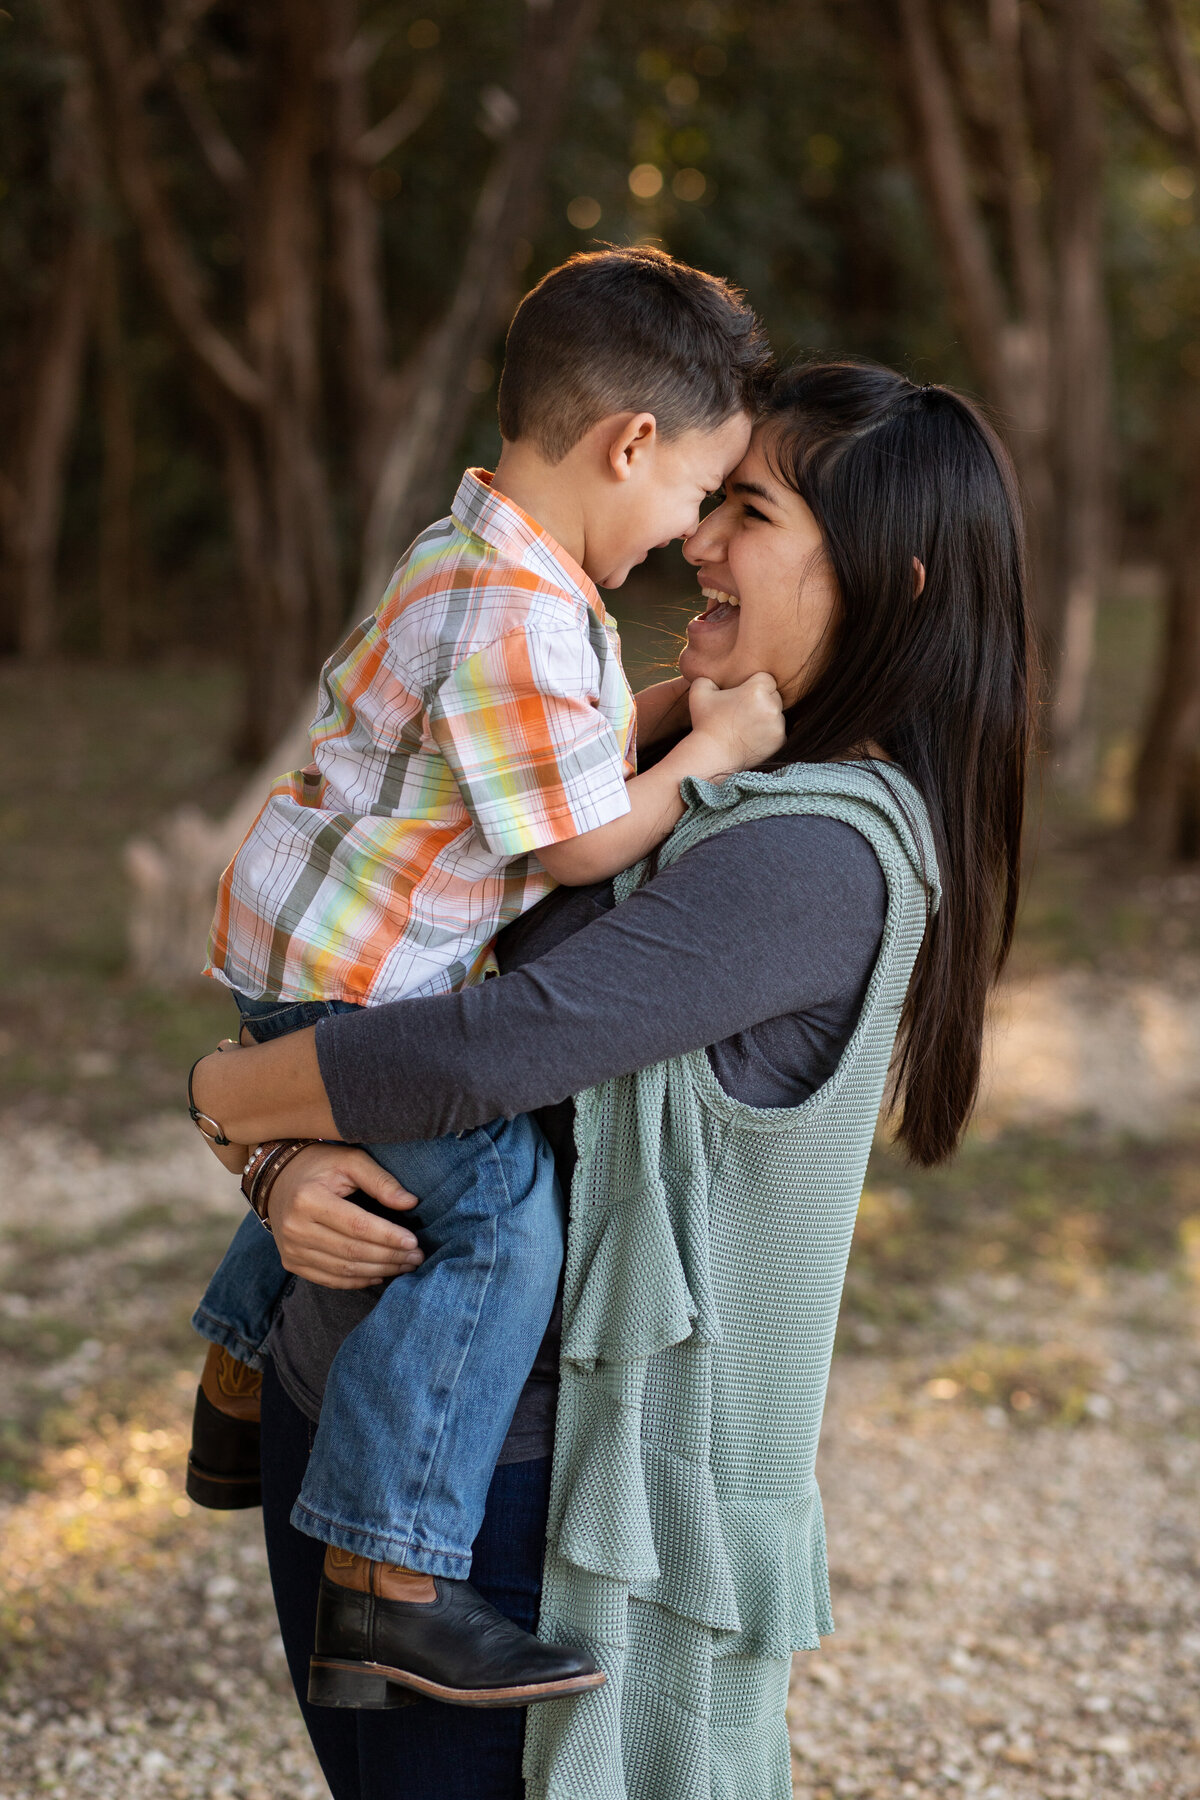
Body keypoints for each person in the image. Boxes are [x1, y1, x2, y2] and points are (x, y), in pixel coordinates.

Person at [189, 360, 1032, 1800]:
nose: (697, 536)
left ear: (892, 583)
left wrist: (223, 1095)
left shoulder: (813, 854)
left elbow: (480, 1051)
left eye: (747, 511)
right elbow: (405, 964)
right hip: (365, 1429)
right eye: (708, 497)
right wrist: (279, 1162)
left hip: (505, 1499)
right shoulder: (689, 774)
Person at [185, 245, 783, 1710]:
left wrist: (655, 712)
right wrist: (708, 752)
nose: (694, 531)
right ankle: (390, 1585)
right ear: (628, 444)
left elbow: (541, 759)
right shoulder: (521, 611)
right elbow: (580, 847)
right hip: (357, 992)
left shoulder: (481, 557)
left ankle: (236, 1379)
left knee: (376, 1173)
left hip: (313, 959)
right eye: (699, 493)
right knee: (500, 1217)